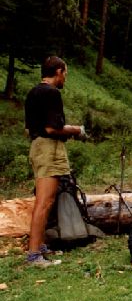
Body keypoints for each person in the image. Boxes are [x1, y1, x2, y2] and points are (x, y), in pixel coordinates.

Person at [25, 56, 86, 267]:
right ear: (58, 71)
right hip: (48, 148)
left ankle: (40, 246)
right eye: (65, 74)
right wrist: (76, 130)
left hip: (39, 147)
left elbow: (30, 128)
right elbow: (52, 128)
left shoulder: (33, 92)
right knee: (44, 202)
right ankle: (34, 255)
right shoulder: (51, 93)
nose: (65, 78)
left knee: (47, 200)